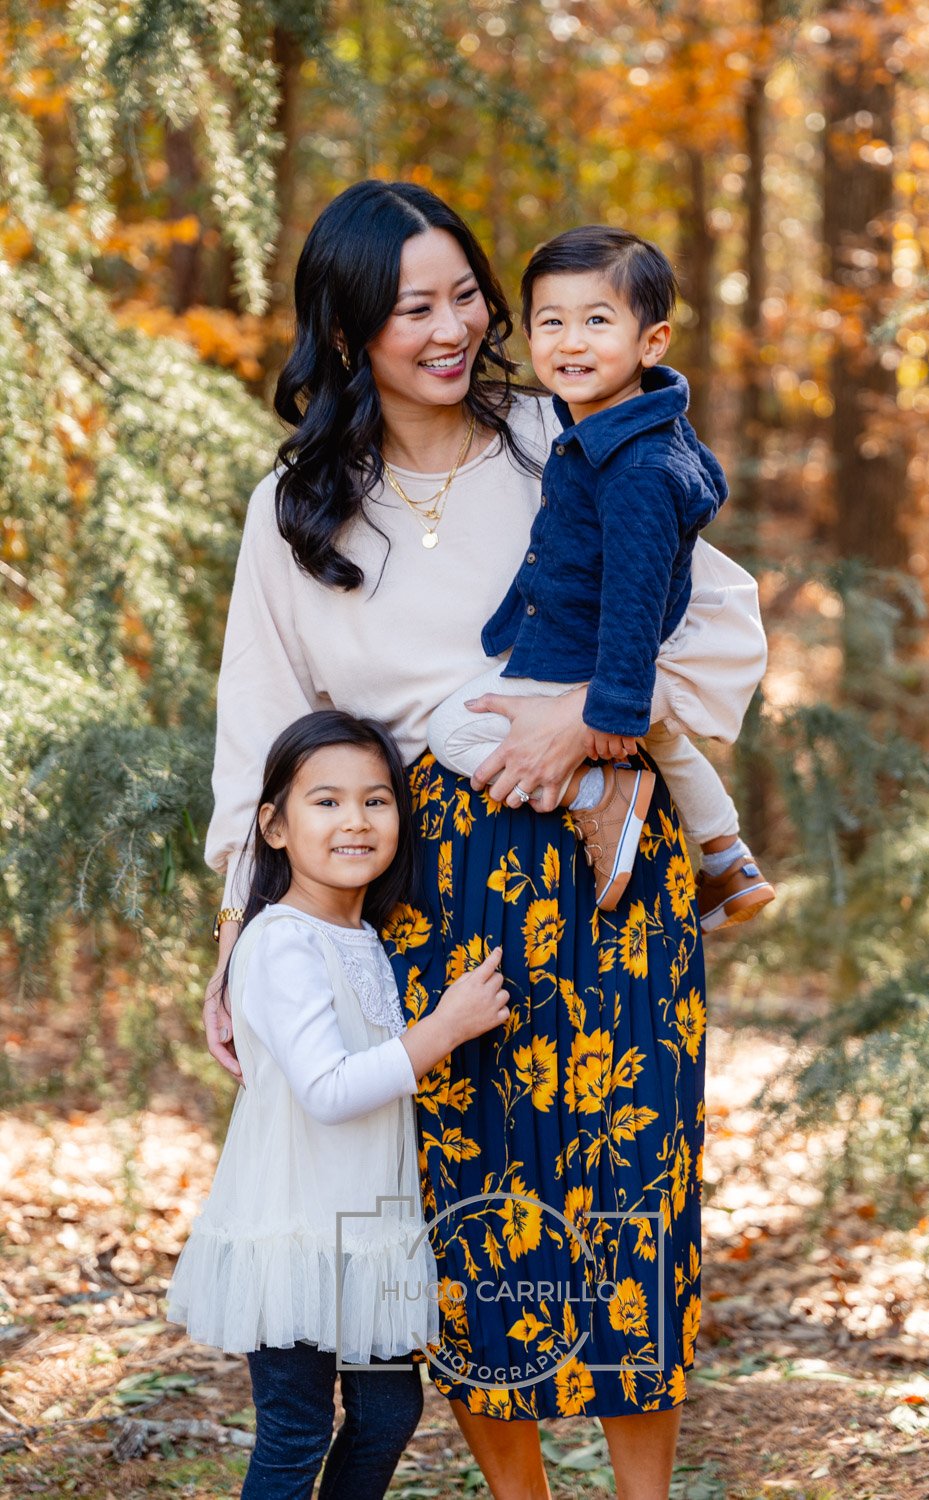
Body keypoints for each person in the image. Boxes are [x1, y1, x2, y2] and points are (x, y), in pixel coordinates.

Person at [204, 179, 710, 1500]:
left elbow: (711, 621)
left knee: (626, 1200)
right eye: (408, 305)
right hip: (421, 895)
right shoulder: (300, 504)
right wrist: (234, 937)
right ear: (348, 326)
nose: (448, 326)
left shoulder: (573, 431)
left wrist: (587, 730)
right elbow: (263, 722)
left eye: (464, 295)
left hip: (601, 864)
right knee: (475, 1227)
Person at [170, 709, 511, 1500]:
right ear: (275, 826)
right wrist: (445, 1028)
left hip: (368, 1237)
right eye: (325, 801)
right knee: (296, 1431)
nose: (355, 820)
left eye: (376, 800)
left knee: (389, 1415)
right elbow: (327, 1090)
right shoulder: (281, 940)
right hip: (295, 1232)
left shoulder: (369, 938)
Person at [427, 225, 774, 924]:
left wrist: (604, 714)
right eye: (550, 322)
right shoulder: (615, 425)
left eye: (597, 321)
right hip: (592, 652)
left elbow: (633, 599)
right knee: (666, 741)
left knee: (451, 732)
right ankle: (728, 856)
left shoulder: (636, 468)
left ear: (652, 343)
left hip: (579, 656)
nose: (571, 342)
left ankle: (598, 795)